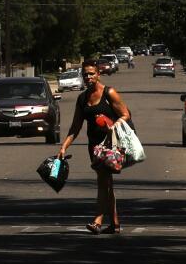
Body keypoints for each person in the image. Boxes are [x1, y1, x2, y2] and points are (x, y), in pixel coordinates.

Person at [56, 61, 131, 233]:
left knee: (102, 181)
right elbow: (75, 127)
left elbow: (126, 114)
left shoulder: (109, 93)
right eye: (85, 74)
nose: (88, 77)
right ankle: (115, 223)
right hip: (94, 146)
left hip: (111, 145)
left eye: (91, 74)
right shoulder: (82, 98)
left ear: (98, 74)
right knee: (106, 182)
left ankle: (97, 220)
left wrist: (112, 125)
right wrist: (64, 147)